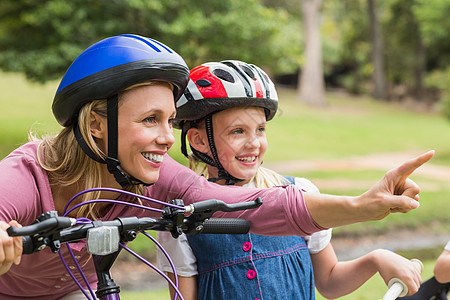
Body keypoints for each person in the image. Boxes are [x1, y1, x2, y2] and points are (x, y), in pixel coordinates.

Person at [0, 34, 433, 299]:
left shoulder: (154, 176)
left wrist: (361, 206)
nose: (168, 138)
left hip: (78, 290)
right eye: (151, 120)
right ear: (97, 124)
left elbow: (246, 205)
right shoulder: (28, 176)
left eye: (170, 120)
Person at [157, 60, 423, 299]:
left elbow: (330, 281)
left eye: (260, 130)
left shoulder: (300, 194)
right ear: (199, 140)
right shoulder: (182, 218)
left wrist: (377, 259)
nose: (253, 143)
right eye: (238, 131)